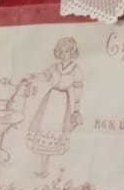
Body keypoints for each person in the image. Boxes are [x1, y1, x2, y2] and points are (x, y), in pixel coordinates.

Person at [24, 37, 83, 177]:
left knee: (54, 134)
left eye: (67, 51)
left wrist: (76, 109)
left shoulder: (76, 70)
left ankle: (46, 169)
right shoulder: (55, 67)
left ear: (72, 52)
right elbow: (45, 76)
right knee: (43, 131)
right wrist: (32, 76)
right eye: (61, 51)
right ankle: (43, 169)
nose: (64, 54)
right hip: (50, 100)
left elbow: (78, 90)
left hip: (62, 104)